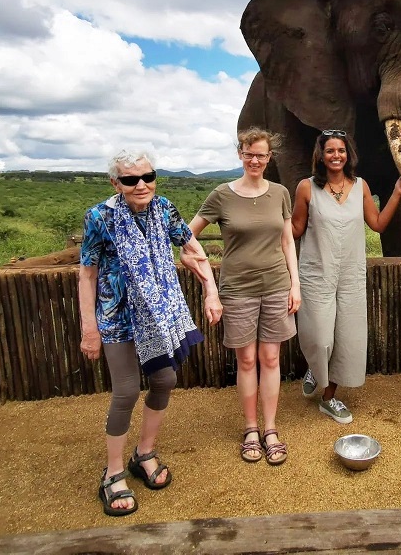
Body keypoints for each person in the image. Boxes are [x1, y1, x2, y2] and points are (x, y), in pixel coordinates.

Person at [79, 149, 222, 517]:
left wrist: (210, 289)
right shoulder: (100, 217)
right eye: (130, 179)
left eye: (147, 176)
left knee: (164, 380)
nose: (141, 185)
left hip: (159, 315)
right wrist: (89, 328)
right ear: (116, 183)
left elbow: (191, 244)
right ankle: (112, 474)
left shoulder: (165, 209)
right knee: (126, 390)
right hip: (119, 318)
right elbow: (88, 273)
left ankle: (144, 452)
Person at [189, 128, 300, 465]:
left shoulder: (280, 193)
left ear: (269, 158)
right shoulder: (221, 195)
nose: (255, 160)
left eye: (261, 155)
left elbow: (287, 242)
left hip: (276, 286)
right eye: (249, 153)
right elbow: (187, 238)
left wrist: (295, 285)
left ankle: (270, 429)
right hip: (237, 290)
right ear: (240, 153)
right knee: (247, 360)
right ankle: (250, 429)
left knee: (270, 359)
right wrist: (207, 278)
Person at [292, 129, 401, 424]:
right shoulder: (306, 188)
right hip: (317, 273)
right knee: (319, 337)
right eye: (330, 150)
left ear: (348, 154)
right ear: (321, 155)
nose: (336, 156)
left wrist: (396, 193)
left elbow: (378, 224)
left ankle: (329, 398)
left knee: (347, 338)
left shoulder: (360, 186)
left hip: (351, 275)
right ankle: (316, 366)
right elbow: (294, 230)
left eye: (341, 150)